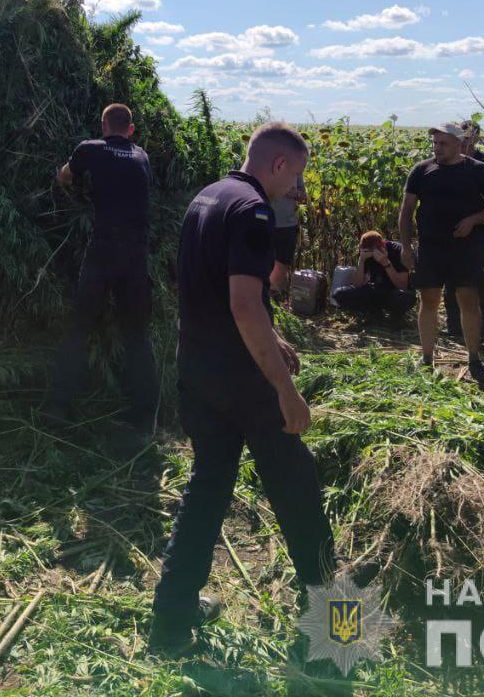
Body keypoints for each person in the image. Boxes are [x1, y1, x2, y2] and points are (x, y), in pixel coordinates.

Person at [149, 122, 337, 657]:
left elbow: (219, 289)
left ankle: (171, 623)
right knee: (298, 492)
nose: (295, 189)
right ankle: (334, 630)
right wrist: (285, 388)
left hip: (198, 371)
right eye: (296, 177)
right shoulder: (254, 211)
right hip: (244, 381)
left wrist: (274, 338)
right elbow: (242, 304)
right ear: (279, 164)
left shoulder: (208, 197)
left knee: (207, 488)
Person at [41, 104, 157, 443]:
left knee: (79, 327)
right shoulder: (142, 156)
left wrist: (72, 181)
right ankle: (144, 418)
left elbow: (65, 177)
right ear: (131, 130)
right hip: (136, 254)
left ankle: (57, 405)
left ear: (103, 126)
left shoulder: (89, 148)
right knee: (137, 334)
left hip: (104, 249)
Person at [399, 122, 484, 386]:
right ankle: (426, 358)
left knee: (468, 300)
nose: (437, 148)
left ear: (459, 143)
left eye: (443, 143)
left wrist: (472, 221)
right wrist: (406, 247)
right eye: (435, 143)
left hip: (467, 248)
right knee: (429, 300)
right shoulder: (421, 170)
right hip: (431, 246)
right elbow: (406, 210)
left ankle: (474, 358)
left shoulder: (477, 170)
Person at [444, 120, 484, 341]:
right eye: (461, 137)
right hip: (451, 231)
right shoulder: (447, 161)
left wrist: (477, 220)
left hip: (480, 231)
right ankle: (454, 329)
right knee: (451, 281)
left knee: (481, 282)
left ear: (477, 138)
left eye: (469, 138)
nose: (464, 142)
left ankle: (483, 331)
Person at [330, 230, 416, 327]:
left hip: (393, 292)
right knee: (339, 294)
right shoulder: (366, 253)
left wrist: (386, 263)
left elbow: (402, 286)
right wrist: (361, 260)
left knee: (405, 297)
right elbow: (357, 285)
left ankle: (395, 317)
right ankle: (374, 313)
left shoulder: (397, 250)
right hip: (376, 289)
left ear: (383, 245)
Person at [269, 173, 306, 298]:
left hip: (288, 224)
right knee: (264, 261)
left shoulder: (296, 169)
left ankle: (274, 295)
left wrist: (294, 193)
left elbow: (303, 195)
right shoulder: (265, 164)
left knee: (283, 261)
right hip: (266, 222)